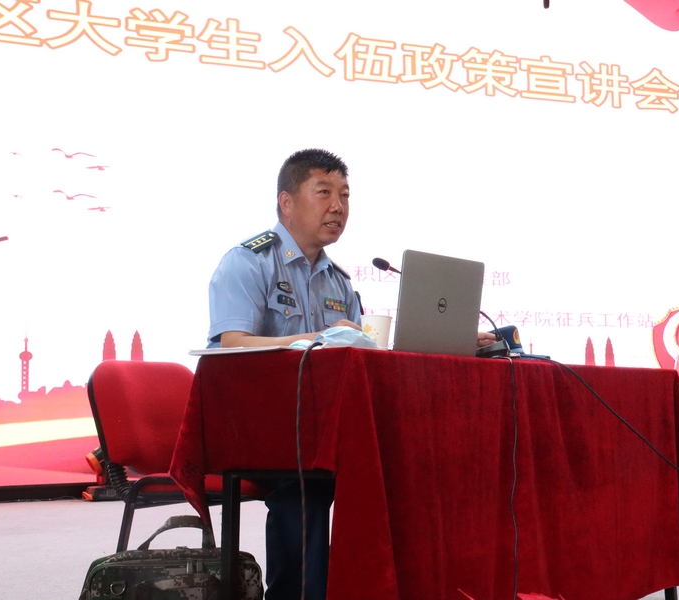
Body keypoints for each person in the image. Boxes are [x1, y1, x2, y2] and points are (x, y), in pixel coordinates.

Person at [206, 148, 498, 599]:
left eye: (344, 195)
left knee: (403, 469)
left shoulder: (339, 281)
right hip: (262, 426)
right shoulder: (248, 261)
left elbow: (360, 353)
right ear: (287, 201)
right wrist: (314, 338)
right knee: (305, 482)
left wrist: (450, 339)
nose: (338, 206)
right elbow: (230, 344)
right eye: (324, 193)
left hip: (325, 425)